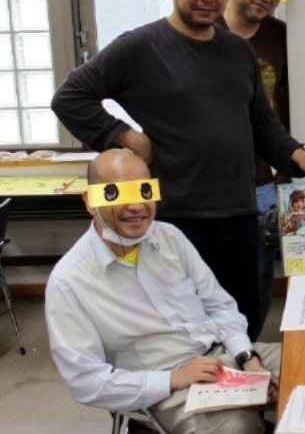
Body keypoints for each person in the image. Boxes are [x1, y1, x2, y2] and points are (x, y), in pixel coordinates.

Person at [51, 0, 305, 340]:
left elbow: (261, 123)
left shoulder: (238, 52)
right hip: (176, 216)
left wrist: (297, 154)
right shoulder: (140, 46)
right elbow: (70, 98)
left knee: (244, 313)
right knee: (184, 324)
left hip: (240, 212)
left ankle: (240, 377)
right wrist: (129, 139)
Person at [46, 150, 281, 434]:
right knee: (238, 428)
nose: (136, 205)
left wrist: (248, 358)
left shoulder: (169, 237)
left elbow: (219, 305)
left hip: (222, 352)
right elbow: (85, 381)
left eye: (144, 191)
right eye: (116, 193)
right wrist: (173, 379)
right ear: (90, 201)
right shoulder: (69, 281)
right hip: (166, 386)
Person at [219, 0, 293, 337]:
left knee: (257, 281)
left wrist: (288, 166)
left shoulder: (282, 37)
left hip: (262, 181)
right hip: (204, 184)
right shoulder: (203, 26)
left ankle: (246, 353)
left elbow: (284, 110)